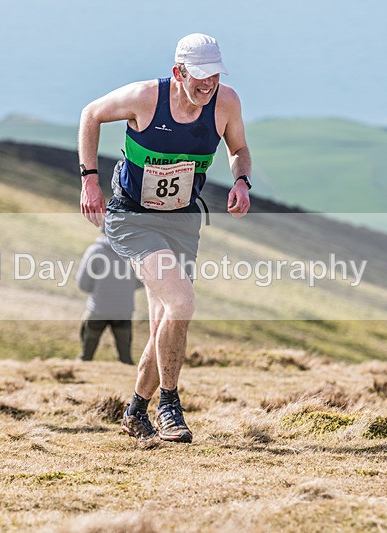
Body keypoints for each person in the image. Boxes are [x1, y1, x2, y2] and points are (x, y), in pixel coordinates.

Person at [78, 33, 252, 443]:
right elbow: (90, 114)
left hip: (182, 220)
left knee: (165, 323)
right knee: (182, 302)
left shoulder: (225, 102)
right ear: (179, 72)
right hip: (133, 219)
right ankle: (170, 405)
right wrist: (89, 182)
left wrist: (242, 181)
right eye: (200, 77)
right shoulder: (144, 98)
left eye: (215, 76)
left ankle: (135, 411)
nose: (207, 86)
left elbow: (239, 148)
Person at [76, 230, 143, 365]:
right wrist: (125, 289)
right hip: (124, 311)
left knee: (85, 356)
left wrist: (100, 289)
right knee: (126, 358)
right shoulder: (133, 252)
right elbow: (142, 280)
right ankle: (135, 383)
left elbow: (82, 283)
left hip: (98, 309)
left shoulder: (95, 251)